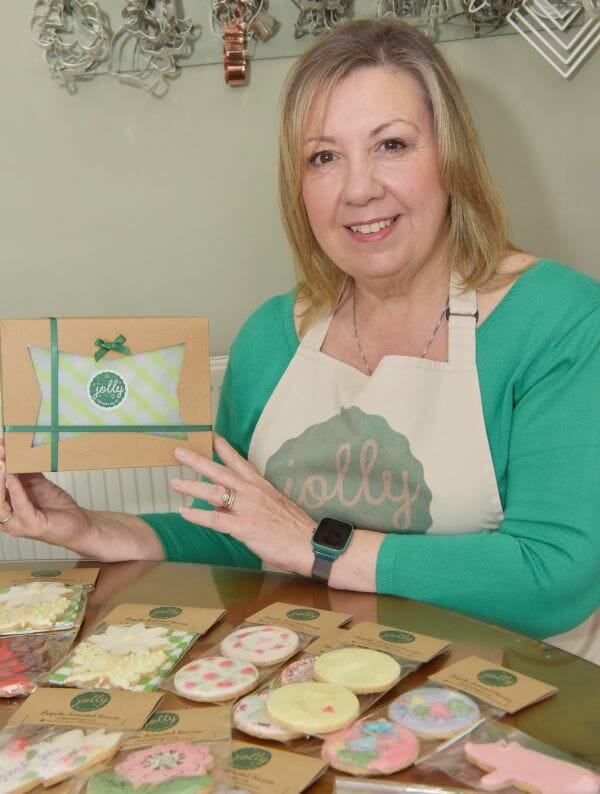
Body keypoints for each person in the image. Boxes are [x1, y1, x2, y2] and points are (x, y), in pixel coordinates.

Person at [1, 19, 599, 659]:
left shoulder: (558, 318)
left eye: (392, 145)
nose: (359, 188)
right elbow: (243, 536)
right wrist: (92, 528)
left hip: (515, 697)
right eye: (323, 157)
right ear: (299, 187)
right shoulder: (271, 337)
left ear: (452, 159)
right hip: (312, 694)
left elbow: (552, 577)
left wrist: (317, 543)